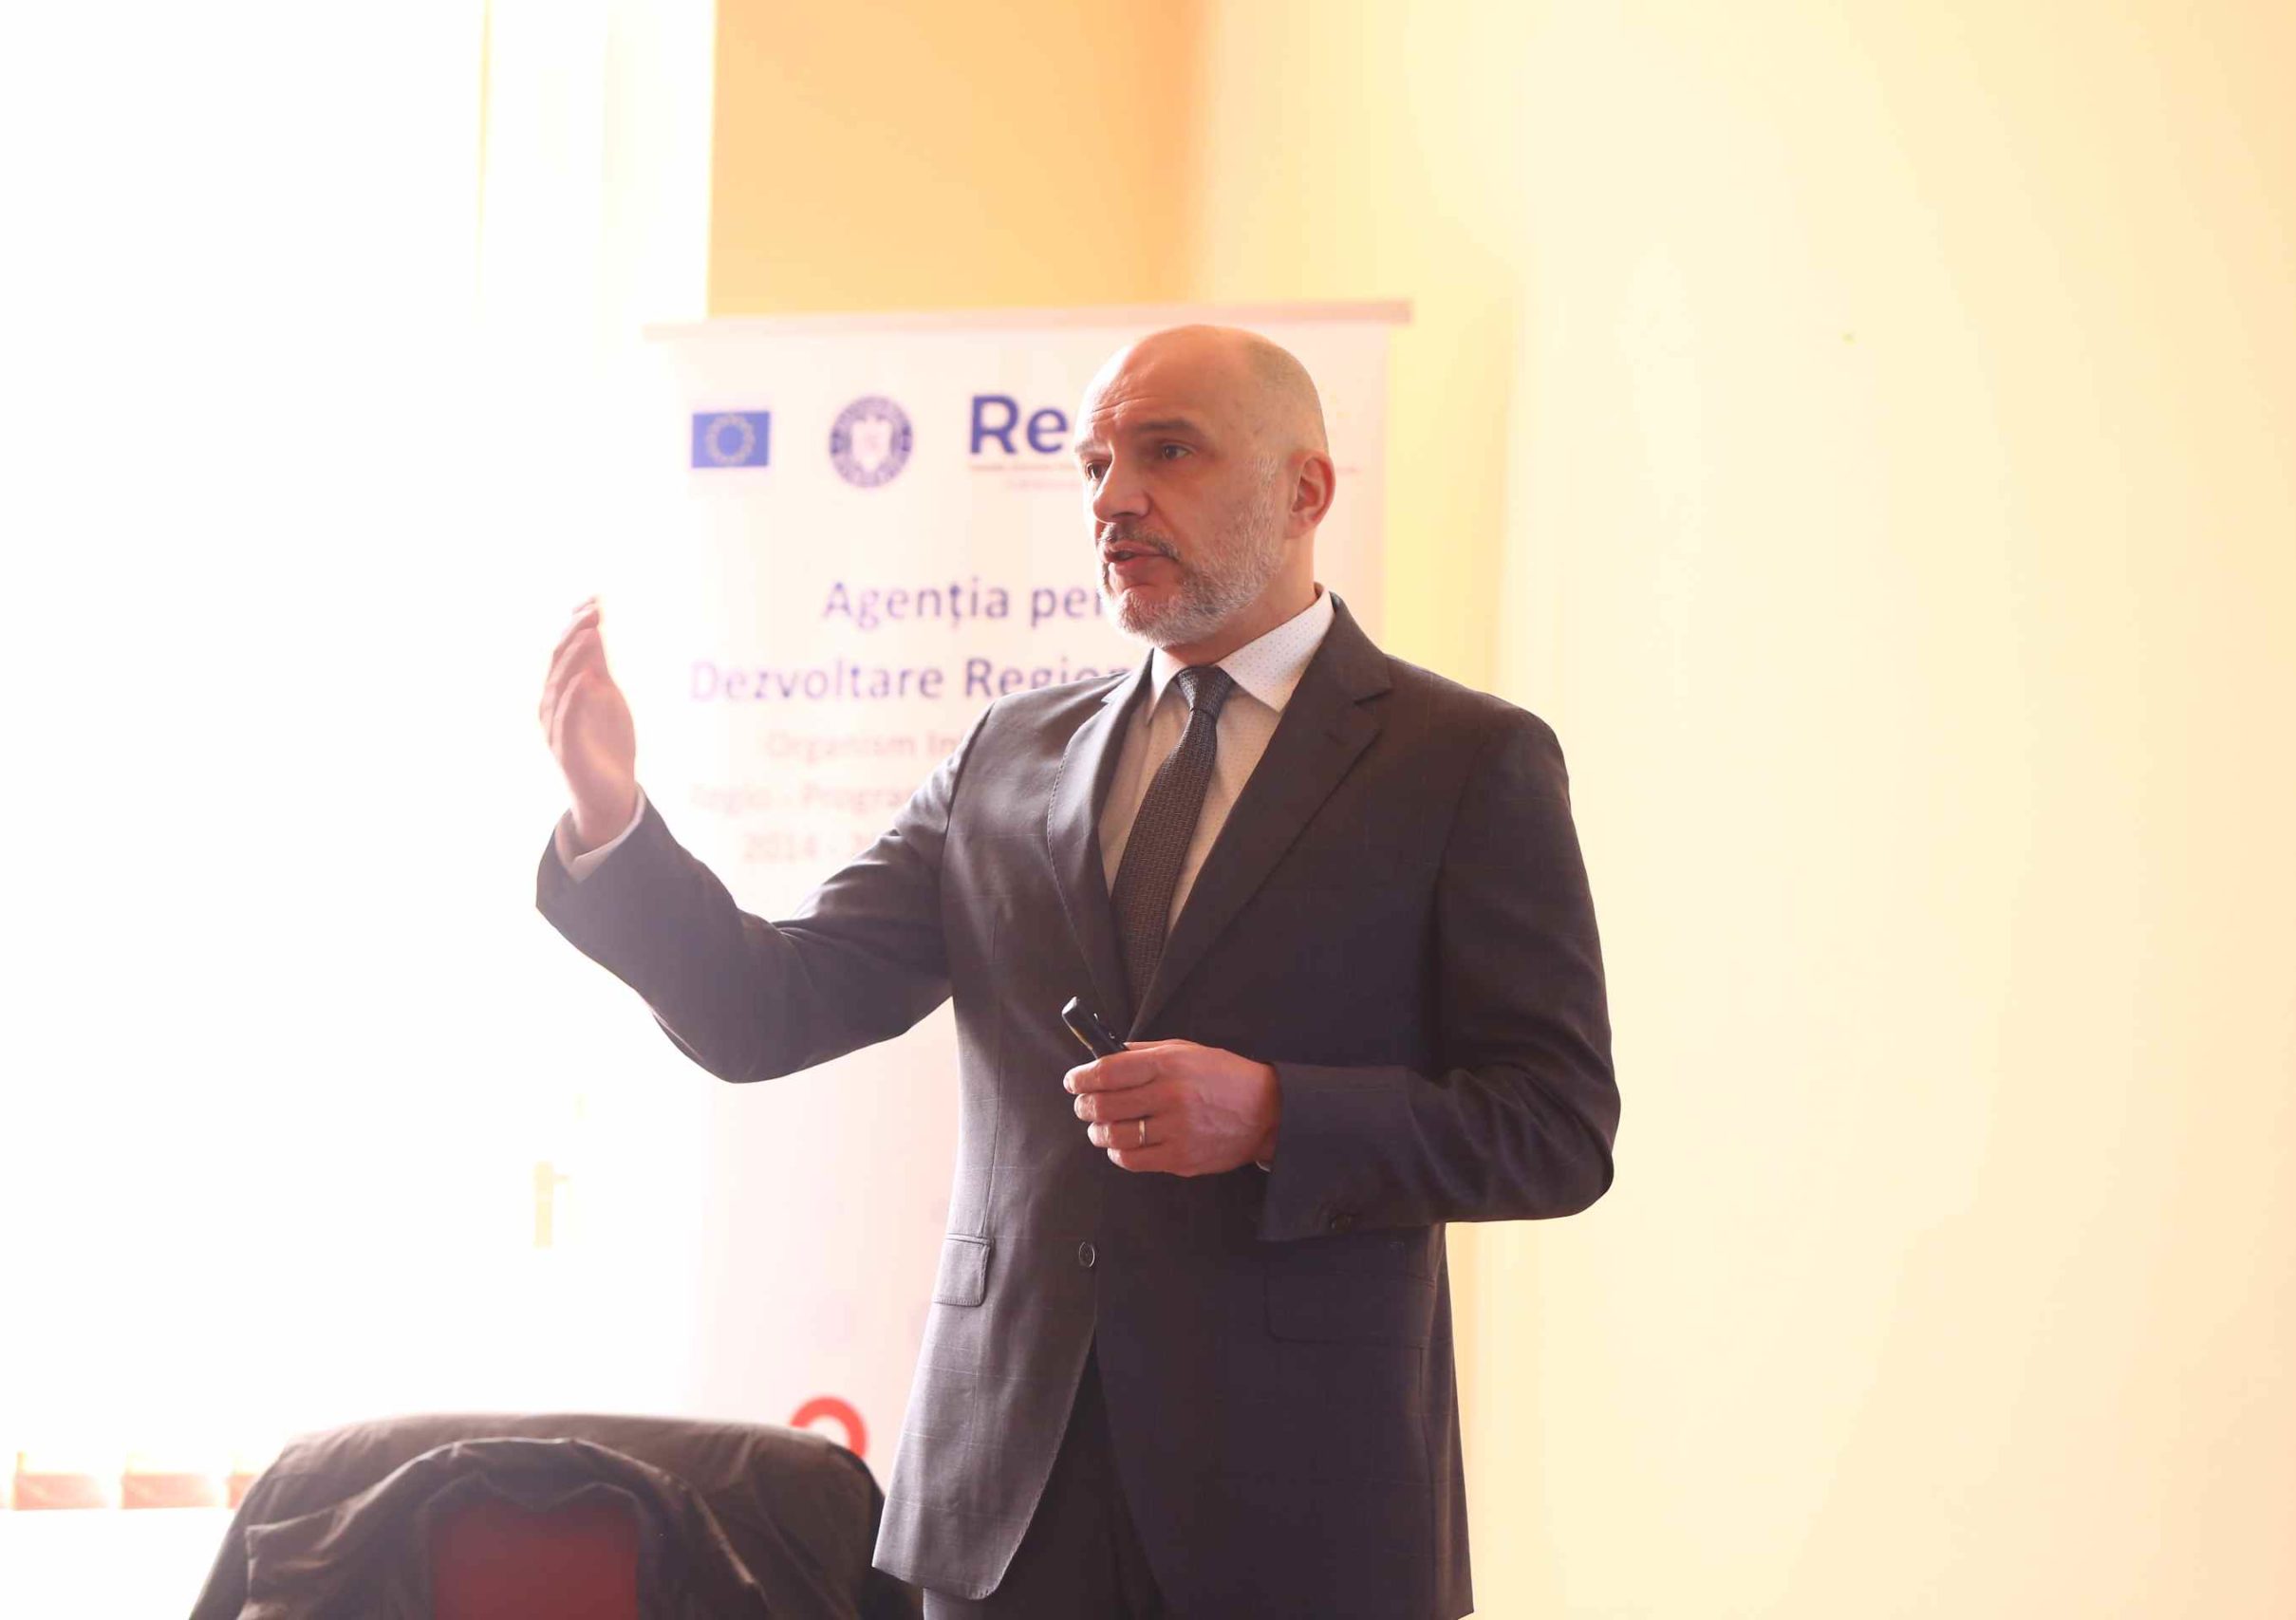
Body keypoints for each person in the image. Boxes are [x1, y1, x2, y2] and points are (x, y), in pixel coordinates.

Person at [536, 326, 1618, 1618]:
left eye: (1168, 452)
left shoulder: (1463, 761)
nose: (1114, 499)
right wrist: (612, 821)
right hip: (1003, 1512)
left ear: (1306, 492)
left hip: (1305, 1520)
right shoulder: (1007, 753)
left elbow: (1557, 1130)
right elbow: (767, 1009)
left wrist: (1276, 1115)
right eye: (1096, 463)